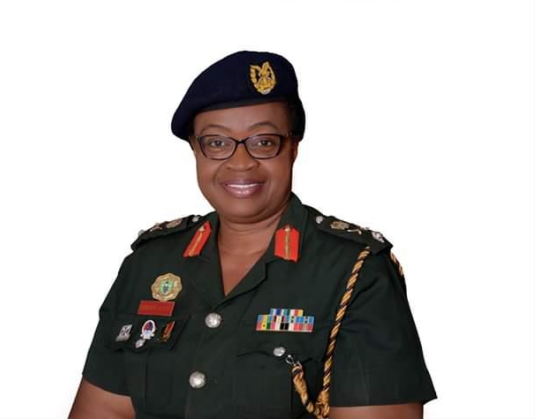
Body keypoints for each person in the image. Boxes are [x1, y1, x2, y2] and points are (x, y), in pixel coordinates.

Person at [69, 50, 437, 419]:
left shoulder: (355, 272)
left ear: (293, 147)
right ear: (195, 150)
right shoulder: (149, 263)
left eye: (263, 142)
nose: (240, 162)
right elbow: (105, 409)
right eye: (217, 142)